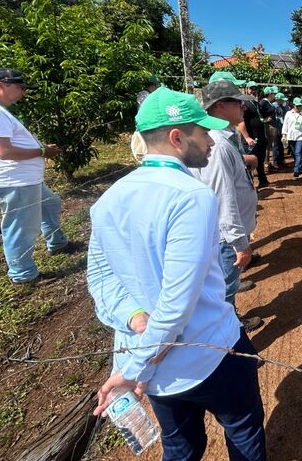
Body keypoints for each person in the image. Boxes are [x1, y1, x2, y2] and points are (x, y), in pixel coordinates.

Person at [87, 86, 266, 460]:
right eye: (203, 133)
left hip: (156, 372)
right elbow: (177, 301)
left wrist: (135, 319)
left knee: (181, 445)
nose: (211, 142)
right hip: (211, 353)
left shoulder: (108, 199)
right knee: (244, 429)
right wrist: (134, 368)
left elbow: (101, 279)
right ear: (176, 137)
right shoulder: (192, 197)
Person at [0, 67, 76, 285]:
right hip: (14, 182)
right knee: (21, 227)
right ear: (0, 85)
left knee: (50, 204)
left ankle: (57, 243)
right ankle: (23, 275)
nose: (23, 93)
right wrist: (42, 152)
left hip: (25, 180)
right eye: (20, 87)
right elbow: (3, 151)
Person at [192, 80, 262, 331]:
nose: (243, 106)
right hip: (226, 237)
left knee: (227, 282)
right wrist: (240, 243)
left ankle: (229, 321)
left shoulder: (224, 138)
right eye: (237, 102)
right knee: (224, 287)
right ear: (220, 106)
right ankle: (229, 331)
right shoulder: (218, 145)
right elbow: (221, 197)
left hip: (228, 234)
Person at [238, 81, 270, 187]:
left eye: (255, 89)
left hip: (260, 137)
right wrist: (247, 137)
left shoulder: (255, 103)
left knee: (260, 159)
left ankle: (262, 180)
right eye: (251, 89)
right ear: (246, 89)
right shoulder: (243, 104)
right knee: (250, 162)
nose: (253, 91)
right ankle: (249, 184)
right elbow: (240, 121)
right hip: (251, 139)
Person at [282, 97, 302, 178]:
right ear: (294, 106)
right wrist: (284, 134)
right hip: (291, 136)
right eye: (297, 106)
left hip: (301, 136)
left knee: (298, 152)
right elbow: (285, 124)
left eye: (300, 106)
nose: (299, 108)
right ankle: (298, 165)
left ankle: (296, 170)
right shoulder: (288, 114)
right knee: (294, 153)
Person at [258, 87, 277, 172]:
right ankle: (266, 164)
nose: (274, 95)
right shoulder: (263, 102)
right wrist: (264, 120)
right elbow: (258, 113)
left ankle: (267, 163)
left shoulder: (268, 102)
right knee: (267, 146)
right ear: (270, 94)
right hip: (267, 126)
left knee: (269, 146)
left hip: (271, 126)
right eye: (273, 94)